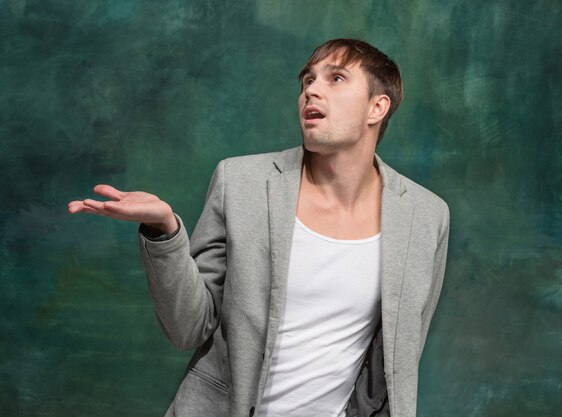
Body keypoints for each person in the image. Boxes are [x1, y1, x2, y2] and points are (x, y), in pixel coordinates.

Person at [68, 38, 450, 417]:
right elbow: (188, 328)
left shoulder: (425, 217)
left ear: (377, 107)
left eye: (335, 79)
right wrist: (163, 229)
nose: (311, 90)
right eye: (307, 81)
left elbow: (396, 360)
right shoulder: (240, 181)